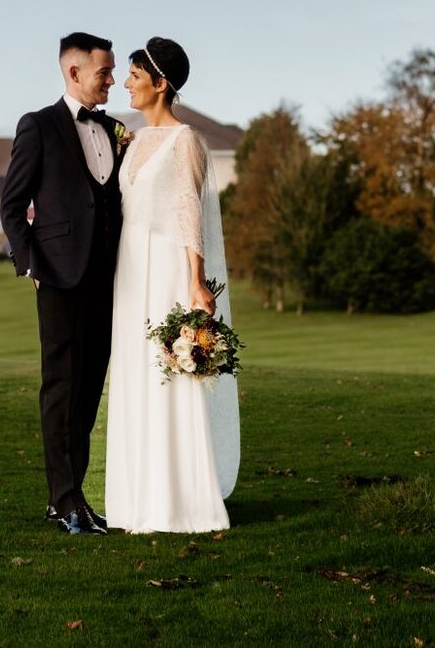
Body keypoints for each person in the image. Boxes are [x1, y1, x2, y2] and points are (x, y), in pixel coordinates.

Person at [104, 36, 240, 533]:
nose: (126, 84)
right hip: (129, 268)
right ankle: (134, 499)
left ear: (161, 84)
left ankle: (180, 502)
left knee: (169, 378)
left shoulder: (187, 141)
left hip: (166, 268)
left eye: (135, 76)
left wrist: (197, 281)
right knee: (136, 374)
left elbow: (189, 212)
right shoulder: (133, 141)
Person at [0, 31, 125, 536]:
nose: (113, 80)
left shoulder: (116, 129)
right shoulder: (39, 126)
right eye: (105, 72)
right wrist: (32, 265)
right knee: (61, 388)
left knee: (91, 387)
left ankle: (78, 499)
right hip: (58, 276)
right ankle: (63, 501)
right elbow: (11, 205)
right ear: (73, 72)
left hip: (109, 278)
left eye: (114, 71)